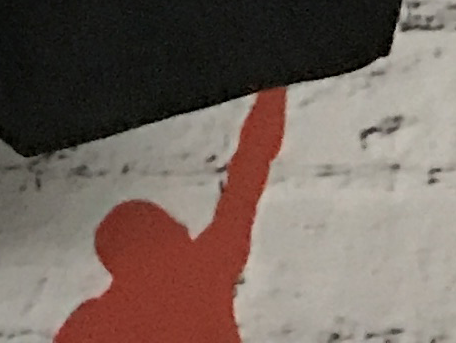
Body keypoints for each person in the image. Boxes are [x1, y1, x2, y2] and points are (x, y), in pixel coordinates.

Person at [54, 89, 285, 343]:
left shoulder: (89, 325)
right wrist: (273, 91)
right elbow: (250, 168)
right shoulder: (207, 269)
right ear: (167, 235)